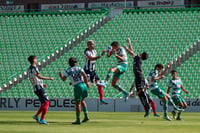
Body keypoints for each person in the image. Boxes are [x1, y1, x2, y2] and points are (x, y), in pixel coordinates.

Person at [123, 38, 150, 117]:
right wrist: (129, 43)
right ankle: (147, 108)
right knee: (139, 93)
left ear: (141, 54)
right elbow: (132, 53)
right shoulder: (137, 58)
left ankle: (148, 106)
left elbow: (131, 52)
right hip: (137, 76)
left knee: (141, 91)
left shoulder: (138, 58)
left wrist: (126, 48)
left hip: (139, 76)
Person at [59, 57, 90, 124]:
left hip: (78, 86)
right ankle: (86, 116)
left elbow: (63, 79)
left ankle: (78, 120)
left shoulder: (68, 70)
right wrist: (87, 83)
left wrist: (61, 75)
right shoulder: (79, 68)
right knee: (82, 101)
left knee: (77, 103)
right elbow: (84, 75)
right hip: (83, 85)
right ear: (75, 62)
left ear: (69, 63)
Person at [27, 55, 54, 125]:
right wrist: (48, 78)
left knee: (44, 103)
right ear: (34, 60)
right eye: (36, 59)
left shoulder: (29, 69)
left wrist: (42, 84)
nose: (36, 60)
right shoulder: (34, 68)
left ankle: (37, 116)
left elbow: (34, 78)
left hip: (36, 87)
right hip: (38, 87)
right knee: (47, 102)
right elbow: (38, 76)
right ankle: (42, 119)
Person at [83, 40, 108, 104]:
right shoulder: (86, 52)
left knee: (99, 85)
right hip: (87, 70)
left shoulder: (94, 51)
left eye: (94, 44)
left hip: (93, 71)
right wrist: (101, 55)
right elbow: (91, 59)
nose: (94, 45)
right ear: (88, 45)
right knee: (88, 85)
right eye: (92, 44)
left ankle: (101, 99)